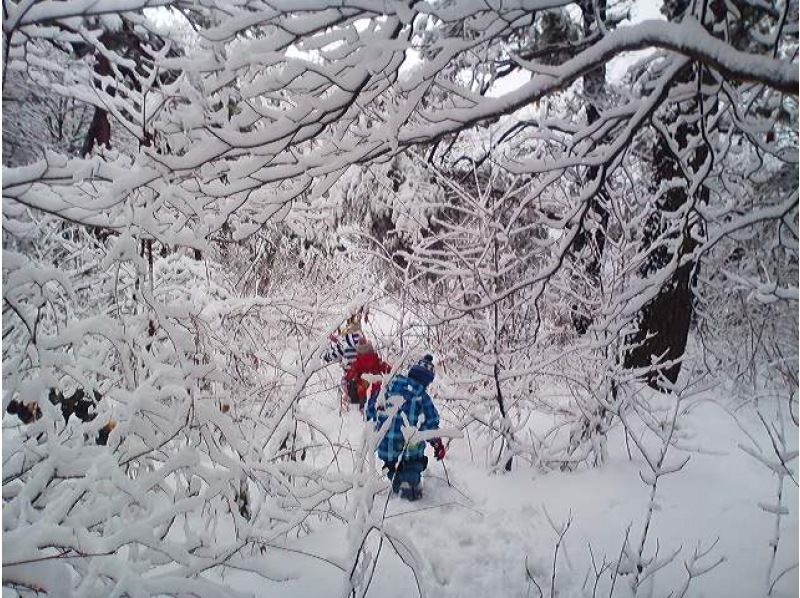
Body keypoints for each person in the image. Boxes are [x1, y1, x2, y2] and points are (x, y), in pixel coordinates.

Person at [366, 354, 447, 501]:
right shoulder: (422, 397)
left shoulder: (389, 385)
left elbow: (371, 409)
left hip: (385, 448)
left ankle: (396, 479)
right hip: (409, 451)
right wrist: (437, 444)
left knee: (393, 467)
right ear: (426, 381)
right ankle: (410, 492)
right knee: (413, 466)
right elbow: (431, 425)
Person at [323, 315, 364, 407]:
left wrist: (327, 353)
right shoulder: (364, 342)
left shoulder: (345, 345)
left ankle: (347, 402)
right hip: (363, 376)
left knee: (345, 386)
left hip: (350, 375)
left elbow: (332, 355)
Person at [345, 340, 391, 410]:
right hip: (378, 389)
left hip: (363, 393)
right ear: (371, 349)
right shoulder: (377, 360)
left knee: (366, 412)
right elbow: (388, 370)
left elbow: (349, 377)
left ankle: (364, 410)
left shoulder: (357, 363)